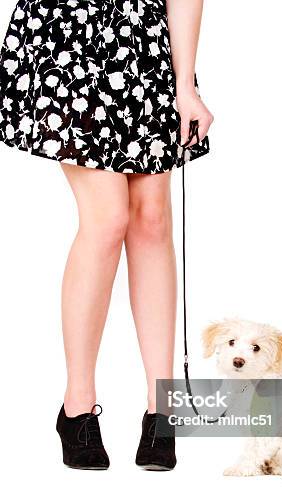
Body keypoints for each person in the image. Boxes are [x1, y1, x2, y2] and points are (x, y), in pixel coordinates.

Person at [0, 0, 213, 471]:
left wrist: (185, 84)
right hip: (69, 33)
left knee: (151, 217)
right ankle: (77, 406)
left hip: (144, 42)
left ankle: (163, 412)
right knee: (107, 217)